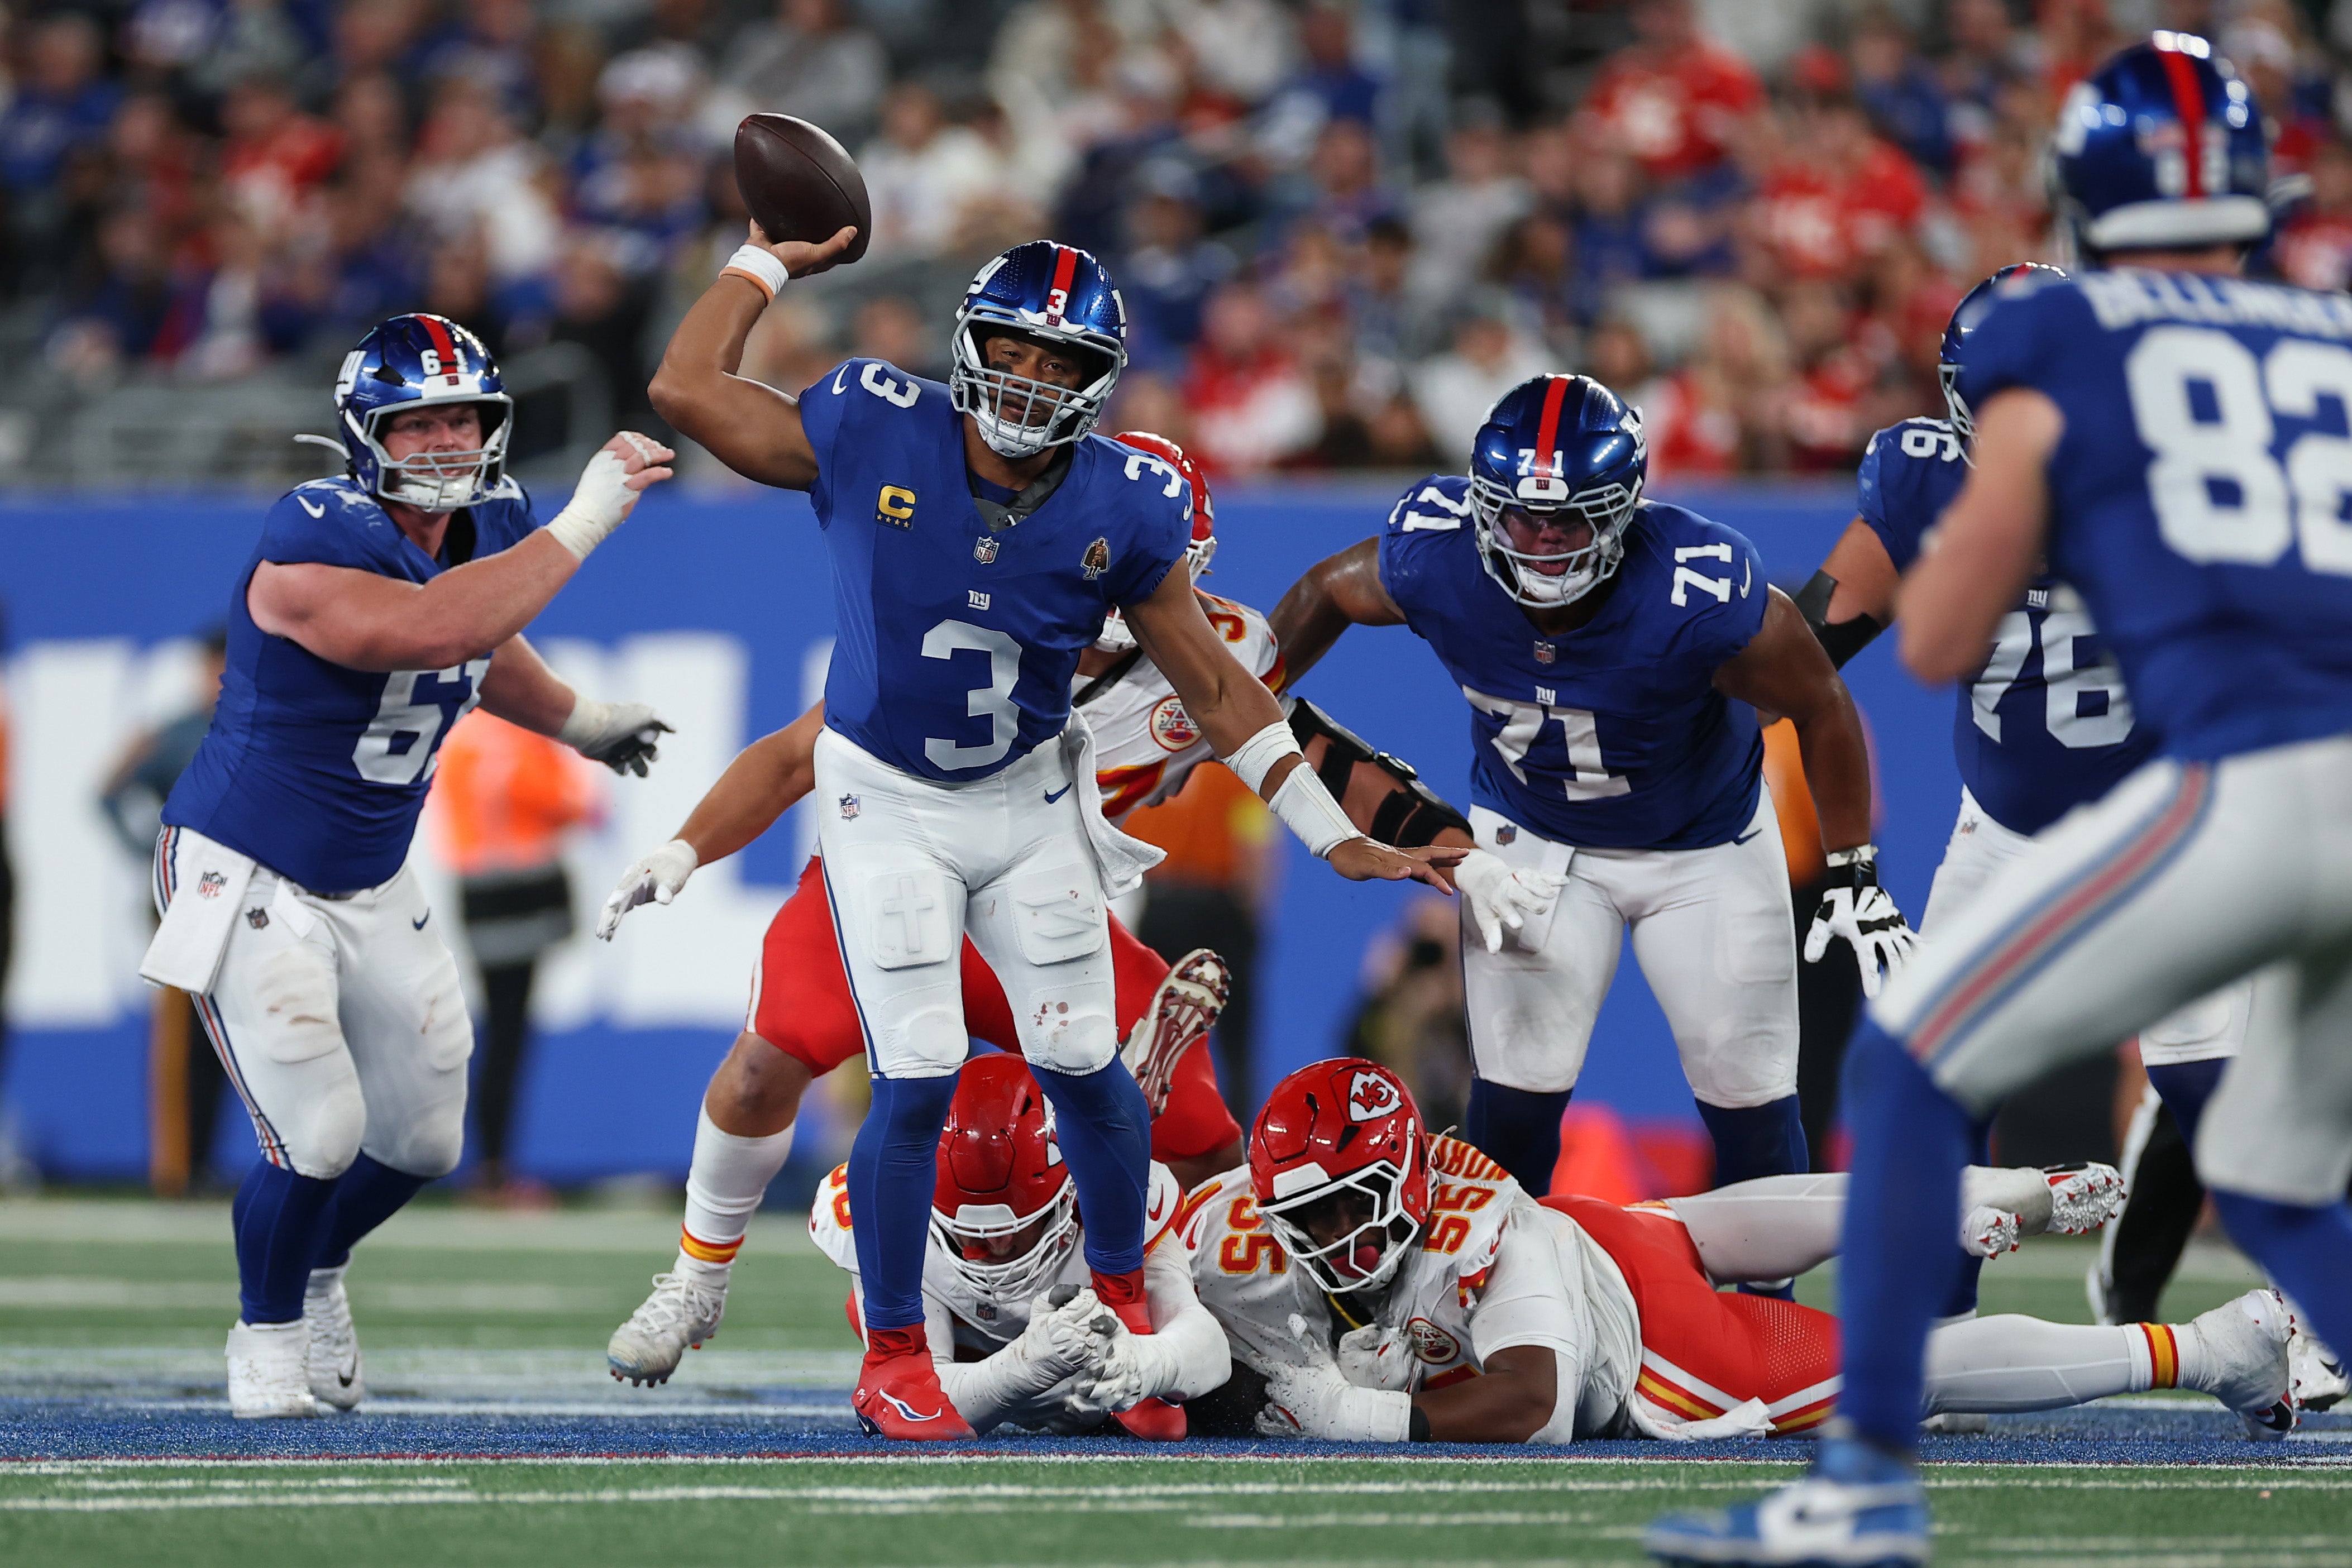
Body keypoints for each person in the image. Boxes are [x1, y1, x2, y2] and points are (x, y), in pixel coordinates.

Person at [1648, 35, 2352, 1563]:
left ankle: (1865, 1484)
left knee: (1913, 1077)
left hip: (2190, 805)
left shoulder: (2064, 375)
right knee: (2263, 1163)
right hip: (2256, 795)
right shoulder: (2321, 348)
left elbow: (1931, 637)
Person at [643, 227, 1459, 1441]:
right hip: (905, 843)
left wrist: (1412, 836)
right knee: (782, 1054)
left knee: (1198, 1129)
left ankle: (1256, 1343)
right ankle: (702, 1280)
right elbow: (793, 754)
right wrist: (680, 852)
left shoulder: (1181, 629)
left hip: (1037, 877)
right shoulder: (974, 599)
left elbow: (1292, 730)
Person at [142, 312, 675, 1419]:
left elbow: (483, 647)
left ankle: (319, 1268)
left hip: (373, 873)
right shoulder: (314, 530)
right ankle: (269, 1337)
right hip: (248, 866)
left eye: (460, 419)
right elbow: (433, 632)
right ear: (363, 432)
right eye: (417, 421)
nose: (442, 442)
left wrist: (581, 724)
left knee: (427, 1137)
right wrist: (586, 520)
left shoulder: (482, 527)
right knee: (322, 1131)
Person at [1270, 374, 1912, 1201]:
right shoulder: (1439, 553)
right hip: (1533, 839)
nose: (1541, 542)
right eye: (1522, 517)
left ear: (1623, 509)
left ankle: (1767, 1318)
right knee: (1514, 1097)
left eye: (1568, 518)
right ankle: (1498, 1299)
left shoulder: (1698, 586)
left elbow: (1822, 701)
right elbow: (1329, 590)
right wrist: (1251, 698)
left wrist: (1852, 866)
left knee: (1750, 1100)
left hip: (1704, 849)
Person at [1796, 263, 2260, 1343]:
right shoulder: (1917, 485)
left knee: (2218, 1105)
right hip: (2002, 832)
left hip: (2161, 833)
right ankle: (1942, 1328)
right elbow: (1802, 648)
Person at [1191, 1059, 2282, 1446]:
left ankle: (2219, 1347)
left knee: (1902, 1369)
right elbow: (1190, 1312)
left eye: (1351, 1208)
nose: (1332, 1239)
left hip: (1654, 1342)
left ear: (1409, 1180)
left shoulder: (1484, 1238)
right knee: (1735, 1211)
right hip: (1608, 1232)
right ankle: (1954, 1198)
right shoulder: (1249, 1235)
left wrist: (1354, 1413)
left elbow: (1538, 1411)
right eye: (1311, 1218)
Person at [807, 1050, 1229, 1437]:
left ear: (1068, 1193)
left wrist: (1145, 1364)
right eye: (967, 1231)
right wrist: (1029, 1363)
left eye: (1019, 1225)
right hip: (979, 1358)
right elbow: (917, 1402)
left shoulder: (1113, 1196)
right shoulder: (889, 1210)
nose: (997, 1243)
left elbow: (1208, 1350)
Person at [429, 710, 603, 1204]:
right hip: (521, 890)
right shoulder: (522, 735)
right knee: (509, 1035)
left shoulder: (463, 738)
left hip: (477, 886)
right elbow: (570, 803)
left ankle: (489, 1164)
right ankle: (493, 1167)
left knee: (499, 1031)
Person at [101, 627, 233, 1197]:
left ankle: (202, 1161)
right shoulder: (178, 733)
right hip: (181, 904)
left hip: (236, 900)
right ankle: (175, 1168)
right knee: (181, 1036)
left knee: (226, 1039)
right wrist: (148, 854)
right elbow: (109, 794)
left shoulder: (254, 728)